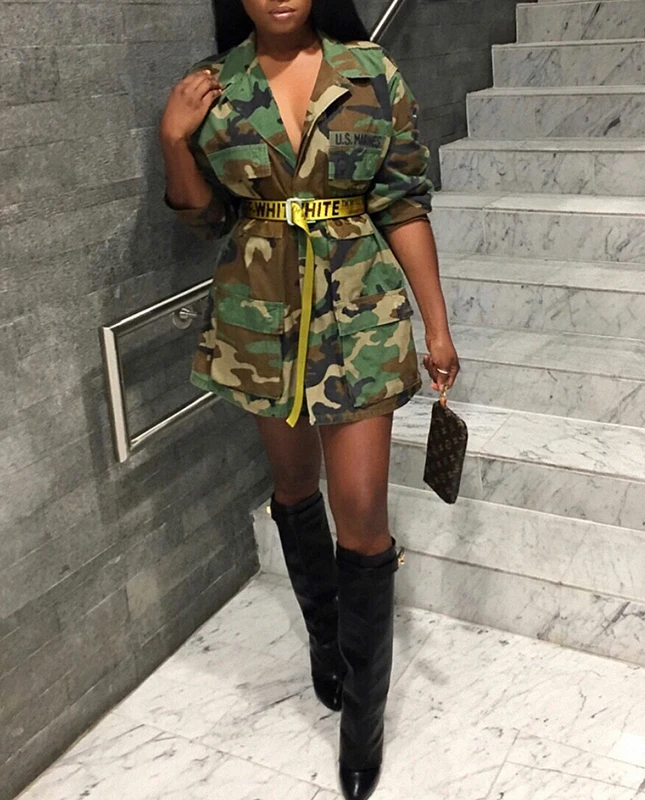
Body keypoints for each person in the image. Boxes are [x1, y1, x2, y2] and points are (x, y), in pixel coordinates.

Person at [159, 1, 459, 797]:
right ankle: (328, 644)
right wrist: (173, 140)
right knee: (294, 489)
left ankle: (363, 723)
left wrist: (437, 326)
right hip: (260, 321)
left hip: (360, 313)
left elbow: (403, 201)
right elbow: (205, 219)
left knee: (361, 511)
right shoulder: (213, 87)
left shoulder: (370, 72)